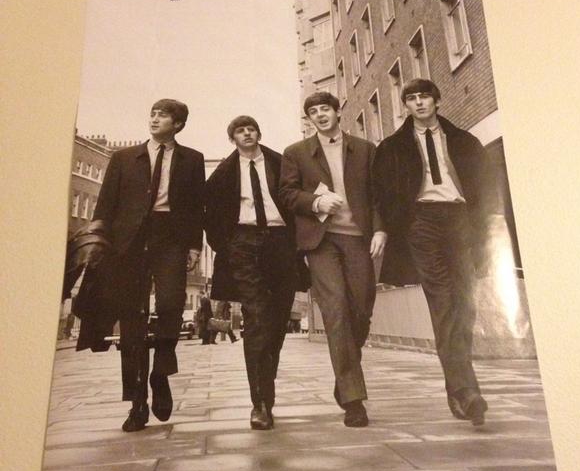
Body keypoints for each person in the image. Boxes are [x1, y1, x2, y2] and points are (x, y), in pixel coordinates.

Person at [373, 79, 496, 426]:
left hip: (460, 220)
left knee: (465, 303)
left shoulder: (463, 141)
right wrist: (389, 227)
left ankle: (457, 390)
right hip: (422, 222)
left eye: (424, 96)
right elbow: (381, 193)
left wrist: (490, 224)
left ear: (436, 101)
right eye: (411, 98)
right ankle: (467, 391)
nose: (418, 103)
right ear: (406, 106)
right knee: (442, 302)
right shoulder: (392, 148)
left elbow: (487, 184)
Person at [89, 98, 205, 431]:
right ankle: (137, 402)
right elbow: (105, 203)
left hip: (170, 237)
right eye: (152, 114)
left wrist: (194, 246)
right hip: (128, 241)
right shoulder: (124, 158)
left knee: (171, 303)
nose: (154, 119)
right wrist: (100, 242)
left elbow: (196, 207)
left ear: (178, 124)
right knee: (131, 319)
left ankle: (161, 373)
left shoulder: (192, 159)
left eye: (162, 115)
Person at [279, 92, 386, 427]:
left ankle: (344, 378)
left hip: (358, 238)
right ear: (309, 119)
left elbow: (378, 195)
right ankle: (354, 399)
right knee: (336, 310)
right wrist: (315, 203)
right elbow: (286, 193)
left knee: (361, 308)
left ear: (338, 112)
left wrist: (380, 230)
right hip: (321, 241)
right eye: (313, 111)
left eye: (325, 108)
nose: (320, 115)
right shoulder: (296, 152)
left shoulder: (365, 149)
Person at [205, 115, 307, 430]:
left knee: (276, 323)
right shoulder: (223, 173)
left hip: (281, 244)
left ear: (259, 134)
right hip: (244, 244)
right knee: (257, 319)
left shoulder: (281, 162)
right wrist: (227, 246)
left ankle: (265, 389)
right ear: (232, 139)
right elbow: (211, 215)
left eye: (251, 129)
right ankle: (260, 403)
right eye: (240, 130)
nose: (247, 133)